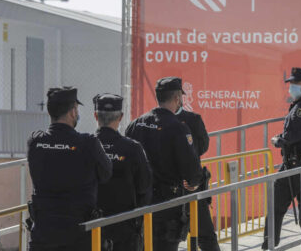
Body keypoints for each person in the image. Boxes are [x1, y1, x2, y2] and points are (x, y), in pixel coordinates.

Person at [27, 87, 112, 251]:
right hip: (79, 235)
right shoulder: (88, 143)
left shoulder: (35, 141)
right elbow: (106, 174)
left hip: (43, 234)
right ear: (73, 112)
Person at [125, 77, 203, 251]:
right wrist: (194, 182)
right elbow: (191, 168)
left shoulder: (136, 124)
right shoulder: (178, 128)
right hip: (166, 204)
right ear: (177, 98)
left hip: (138, 202)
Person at [262, 68, 301, 251]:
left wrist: (277, 140)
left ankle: (269, 244)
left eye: (294, 84)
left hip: (295, 164)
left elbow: (292, 136)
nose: (291, 87)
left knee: (276, 206)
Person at [94, 93, 152, 251]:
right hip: (125, 225)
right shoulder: (132, 148)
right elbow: (144, 187)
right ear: (120, 117)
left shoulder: (85, 146)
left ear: (95, 116)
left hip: (92, 227)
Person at [176, 99, 220, 251]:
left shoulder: (149, 121)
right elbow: (203, 146)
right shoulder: (192, 119)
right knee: (205, 235)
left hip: (182, 185)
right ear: (177, 98)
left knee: (204, 234)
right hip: (188, 184)